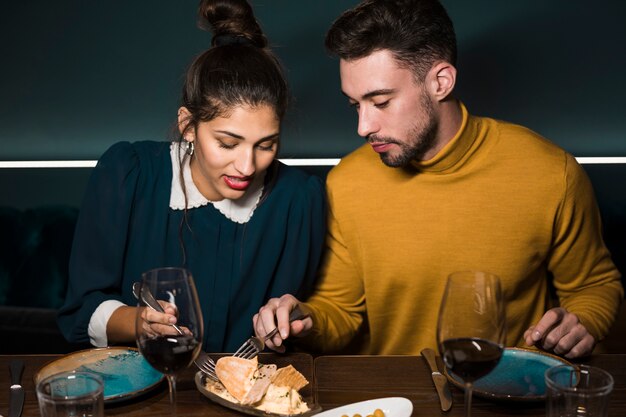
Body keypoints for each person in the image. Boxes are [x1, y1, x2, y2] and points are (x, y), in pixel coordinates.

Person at [253, 0, 623, 359]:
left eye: (380, 102)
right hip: (391, 398)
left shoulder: (550, 173)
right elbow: (342, 310)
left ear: (441, 82)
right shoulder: (346, 182)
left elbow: (595, 286)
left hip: (510, 393)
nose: (363, 126)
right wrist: (304, 319)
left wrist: (584, 322)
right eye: (355, 105)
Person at [57, 0, 326, 353]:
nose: (247, 166)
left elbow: (301, 321)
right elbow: (81, 311)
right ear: (188, 126)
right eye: (228, 143)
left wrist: (291, 320)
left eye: (266, 145)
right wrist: (140, 322)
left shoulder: (299, 199)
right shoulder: (128, 173)